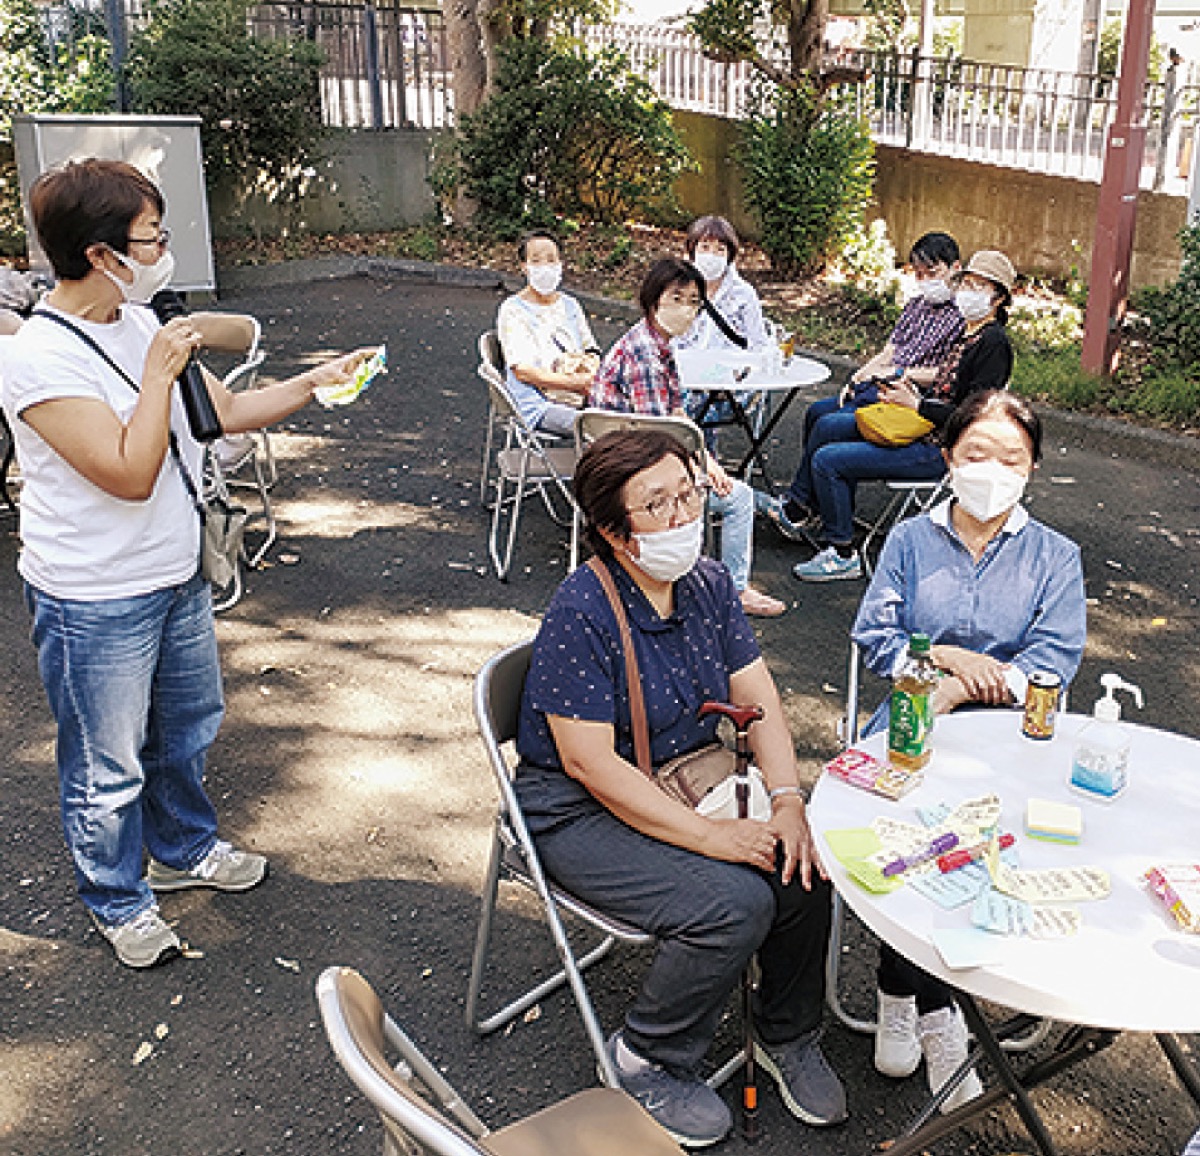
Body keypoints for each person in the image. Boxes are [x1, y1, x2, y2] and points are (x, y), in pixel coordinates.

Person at [0, 158, 375, 970]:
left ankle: (183, 851)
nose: (164, 251)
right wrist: (159, 374)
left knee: (185, 732)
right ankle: (117, 898)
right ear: (101, 254)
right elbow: (129, 472)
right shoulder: (36, 359)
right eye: (151, 238)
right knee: (106, 766)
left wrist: (315, 381)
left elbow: (225, 412)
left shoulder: (139, 323)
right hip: (94, 596)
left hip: (176, 574)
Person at [515, 429, 844, 1146]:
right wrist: (712, 837)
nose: (682, 515)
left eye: (688, 494)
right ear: (613, 531)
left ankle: (788, 1034)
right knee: (732, 903)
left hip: (683, 773)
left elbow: (759, 698)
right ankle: (647, 1056)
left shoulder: (707, 584)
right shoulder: (581, 610)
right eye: (656, 504)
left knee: (803, 860)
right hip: (574, 807)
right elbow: (589, 765)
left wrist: (788, 802)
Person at [851, 390, 1086, 1111]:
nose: (993, 470)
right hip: (911, 723)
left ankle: (930, 1005)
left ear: (1033, 467)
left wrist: (966, 687)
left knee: (981, 850)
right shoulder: (909, 542)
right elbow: (877, 638)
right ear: (948, 456)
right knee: (905, 848)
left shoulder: (1055, 556)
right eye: (977, 453)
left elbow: (1054, 660)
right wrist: (945, 663)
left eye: (1012, 458)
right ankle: (916, 1001)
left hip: (1012, 733)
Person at [786, 248, 1016, 583]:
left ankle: (842, 552)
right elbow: (944, 389)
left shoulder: (993, 344)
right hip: (921, 427)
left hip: (940, 450)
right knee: (828, 425)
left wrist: (917, 405)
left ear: (999, 298)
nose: (969, 292)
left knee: (828, 460)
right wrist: (904, 391)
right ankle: (813, 512)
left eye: (980, 286)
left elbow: (976, 417)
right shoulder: (969, 333)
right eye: (967, 283)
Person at [589, 257, 787, 618]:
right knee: (738, 498)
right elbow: (658, 434)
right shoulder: (645, 354)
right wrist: (700, 471)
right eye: (676, 299)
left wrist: (706, 463)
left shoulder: (656, 343)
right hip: (627, 472)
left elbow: (675, 414)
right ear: (654, 301)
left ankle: (705, 581)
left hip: (623, 458)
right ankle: (733, 591)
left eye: (694, 302)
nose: (686, 310)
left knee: (719, 482)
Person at [764, 231, 964, 550]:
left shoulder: (963, 317)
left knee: (830, 427)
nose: (926, 281)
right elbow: (889, 351)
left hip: (906, 398)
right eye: (918, 274)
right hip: (881, 385)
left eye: (932, 272)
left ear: (955, 268)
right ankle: (819, 504)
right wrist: (857, 377)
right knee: (817, 411)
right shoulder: (916, 306)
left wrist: (899, 373)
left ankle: (800, 505)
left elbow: (946, 375)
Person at [674, 215, 770, 442]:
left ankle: (702, 460)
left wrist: (739, 374)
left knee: (696, 410)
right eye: (705, 247)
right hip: (684, 380)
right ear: (692, 250)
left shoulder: (743, 294)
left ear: (730, 255)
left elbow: (759, 348)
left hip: (729, 387)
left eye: (720, 249)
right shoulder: (677, 288)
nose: (711, 256)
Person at [495, 230, 599, 436]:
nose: (545, 267)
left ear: (561, 264)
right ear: (524, 266)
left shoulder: (570, 306)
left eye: (551, 260)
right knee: (603, 429)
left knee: (633, 418)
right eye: (536, 261)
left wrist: (591, 375)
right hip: (539, 405)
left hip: (582, 397)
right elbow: (523, 371)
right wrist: (575, 383)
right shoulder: (513, 310)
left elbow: (591, 350)